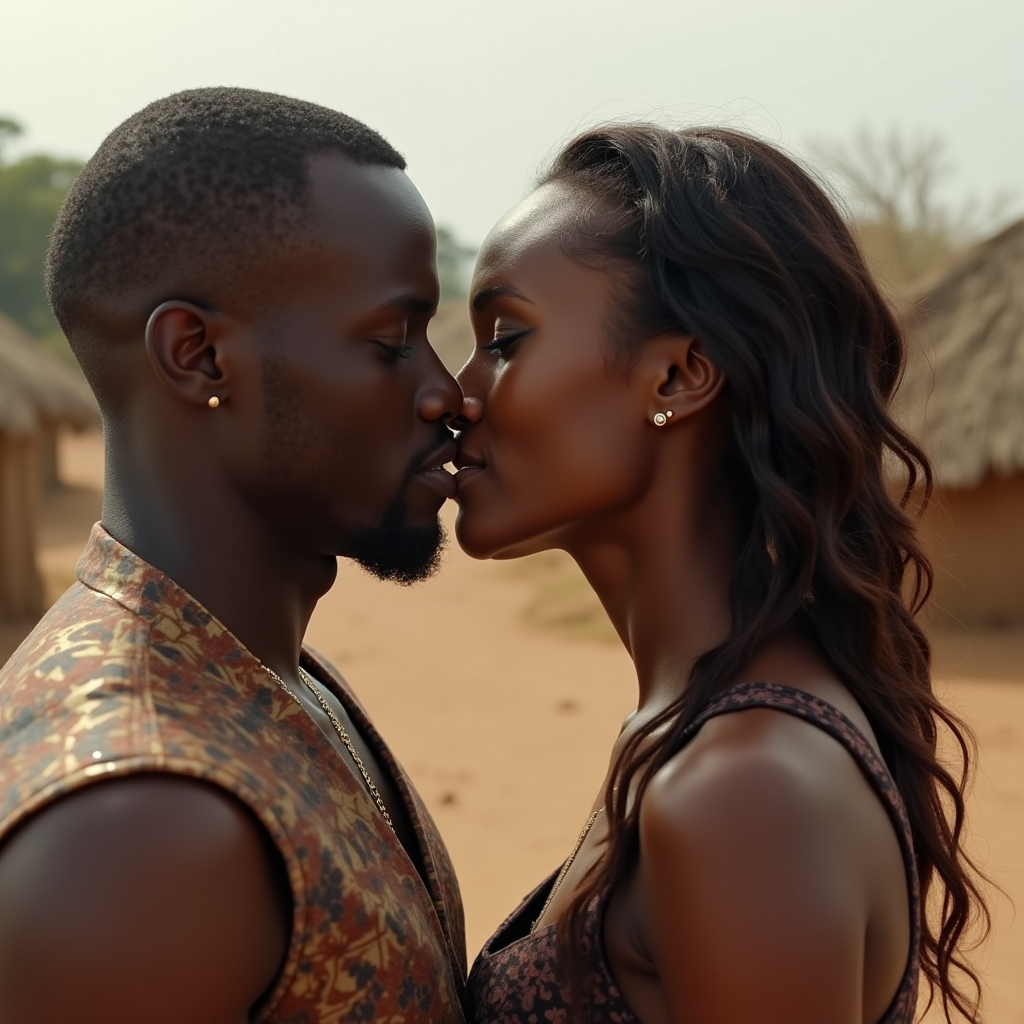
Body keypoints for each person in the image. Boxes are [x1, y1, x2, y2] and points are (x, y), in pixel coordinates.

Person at [452, 125, 987, 1024]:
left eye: (505, 338)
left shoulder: (743, 790)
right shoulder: (705, 733)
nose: (454, 393)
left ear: (680, 376)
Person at [0, 88, 468, 1024]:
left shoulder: (267, 675)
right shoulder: (141, 829)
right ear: (199, 356)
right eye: (390, 342)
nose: (446, 393)